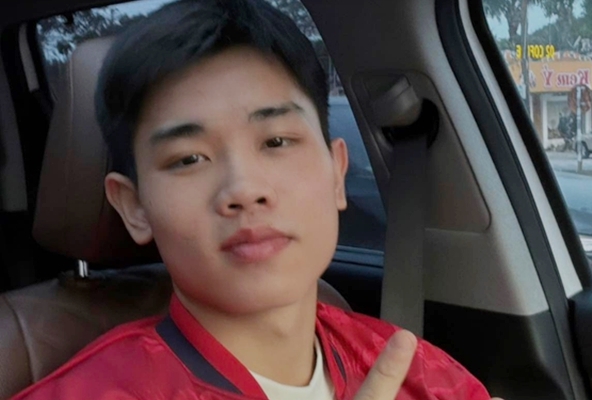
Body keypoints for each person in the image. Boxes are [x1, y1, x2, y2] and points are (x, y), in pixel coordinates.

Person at [11, 0, 500, 399]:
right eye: (188, 159)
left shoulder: (425, 375)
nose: (244, 190)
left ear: (336, 174)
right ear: (133, 207)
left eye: (276, 141)